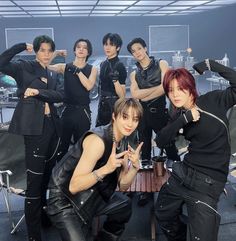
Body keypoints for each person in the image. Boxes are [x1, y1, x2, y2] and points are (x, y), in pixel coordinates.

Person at [155, 60, 236, 241]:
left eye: (180, 88)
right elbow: (160, 140)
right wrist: (184, 119)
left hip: (208, 183)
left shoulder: (213, 100)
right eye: (170, 90)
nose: (175, 94)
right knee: (162, 213)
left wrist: (210, 64)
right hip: (183, 174)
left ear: (190, 87)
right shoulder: (178, 115)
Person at [47, 98, 143, 241]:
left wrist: (135, 167)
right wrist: (106, 168)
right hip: (64, 199)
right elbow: (73, 186)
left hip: (94, 192)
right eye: (125, 117)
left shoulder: (123, 140)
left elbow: (122, 185)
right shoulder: (97, 141)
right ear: (114, 116)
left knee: (124, 205)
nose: (130, 124)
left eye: (135, 119)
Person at [0, 35, 64, 241]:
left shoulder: (52, 73)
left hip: (52, 129)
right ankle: (34, 236)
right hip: (34, 131)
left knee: (47, 178)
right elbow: (1, 62)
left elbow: (60, 96)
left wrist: (37, 92)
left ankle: (44, 220)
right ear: (35, 51)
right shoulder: (24, 67)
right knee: (34, 185)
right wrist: (20, 46)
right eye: (42, 50)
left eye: (49, 50)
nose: (46, 54)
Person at [127, 37, 180, 205]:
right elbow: (134, 95)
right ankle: (145, 191)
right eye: (133, 51)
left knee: (170, 147)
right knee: (144, 152)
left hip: (159, 114)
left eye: (138, 49)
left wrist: (146, 93)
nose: (137, 53)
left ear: (145, 48)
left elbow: (166, 86)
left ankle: (179, 184)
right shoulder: (134, 72)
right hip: (142, 116)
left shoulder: (162, 64)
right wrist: (154, 91)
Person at [48, 38, 97, 156]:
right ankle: (60, 173)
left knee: (81, 147)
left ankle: (79, 173)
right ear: (74, 50)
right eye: (78, 47)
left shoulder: (92, 69)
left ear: (88, 52)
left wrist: (78, 71)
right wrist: (56, 53)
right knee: (62, 146)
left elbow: (89, 86)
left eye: (84, 47)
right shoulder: (64, 67)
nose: (81, 49)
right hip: (68, 110)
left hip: (83, 112)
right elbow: (44, 65)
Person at [96, 33, 127, 127]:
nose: (107, 47)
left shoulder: (120, 65)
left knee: (112, 136)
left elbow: (122, 96)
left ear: (118, 48)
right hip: (102, 104)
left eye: (111, 45)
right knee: (100, 134)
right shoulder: (103, 64)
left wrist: (115, 81)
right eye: (105, 44)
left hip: (114, 105)